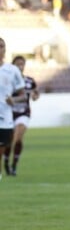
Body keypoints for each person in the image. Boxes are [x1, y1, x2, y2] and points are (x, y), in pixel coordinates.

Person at [3, 55, 39, 176]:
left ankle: (14, 164)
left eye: (22, 64)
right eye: (18, 64)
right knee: (9, 141)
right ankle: (6, 161)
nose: (20, 67)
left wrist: (35, 96)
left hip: (23, 113)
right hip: (9, 114)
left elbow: (34, 93)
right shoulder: (7, 80)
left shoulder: (29, 81)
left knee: (18, 137)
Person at [0, 38, 26, 180]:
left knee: (2, 149)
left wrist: (13, 100)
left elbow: (23, 96)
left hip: (5, 120)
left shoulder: (12, 71)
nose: (0, 49)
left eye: (2, 46)